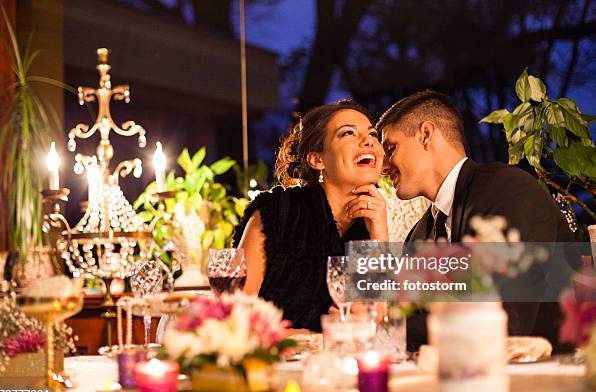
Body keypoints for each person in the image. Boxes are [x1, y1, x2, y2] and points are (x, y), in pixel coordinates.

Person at [377, 90, 574, 350]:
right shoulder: (419, 233)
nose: (383, 167)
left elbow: (505, 322)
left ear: (426, 134)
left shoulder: (507, 189)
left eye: (390, 149)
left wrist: (382, 322)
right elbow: (409, 320)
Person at [233, 100, 388, 331]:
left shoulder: (370, 222)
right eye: (348, 133)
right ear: (318, 160)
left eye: (373, 134)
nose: (369, 141)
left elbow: (377, 319)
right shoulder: (278, 211)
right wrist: (311, 339)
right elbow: (234, 314)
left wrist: (380, 236)